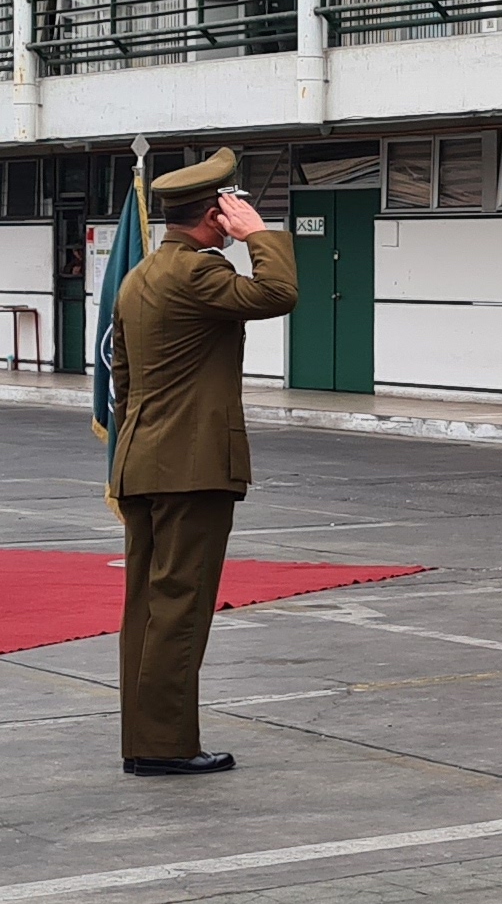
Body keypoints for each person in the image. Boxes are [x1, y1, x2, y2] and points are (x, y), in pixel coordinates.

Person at [111, 148, 298, 775]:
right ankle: (165, 747)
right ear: (217, 212)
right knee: (180, 608)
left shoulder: (139, 277)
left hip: (142, 460)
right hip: (190, 468)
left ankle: (145, 741)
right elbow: (277, 292)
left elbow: (123, 380)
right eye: (232, 205)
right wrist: (260, 236)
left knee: (146, 606)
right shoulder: (196, 272)